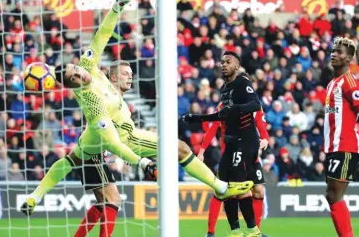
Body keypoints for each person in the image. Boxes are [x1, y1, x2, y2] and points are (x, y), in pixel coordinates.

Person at [20, 0, 158, 236]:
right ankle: (36, 197)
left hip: (92, 145)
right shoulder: (92, 102)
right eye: (74, 76)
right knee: (111, 199)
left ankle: (35, 196)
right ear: (72, 84)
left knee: (95, 188)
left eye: (75, 68)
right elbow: (113, 143)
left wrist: (118, 6)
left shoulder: (88, 63)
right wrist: (141, 161)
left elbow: (102, 34)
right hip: (97, 144)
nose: (79, 72)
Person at [74, 61, 254, 237]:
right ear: (113, 77)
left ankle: (221, 187)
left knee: (106, 201)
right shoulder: (106, 93)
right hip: (101, 149)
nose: (130, 77)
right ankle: (221, 187)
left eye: (131, 74)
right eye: (125, 74)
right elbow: (90, 83)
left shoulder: (116, 97)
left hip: (99, 149)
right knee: (179, 149)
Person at [182, 51, 263, 236]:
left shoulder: (243, 82)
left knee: (239, 187)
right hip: (230, 142)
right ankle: (235, 230)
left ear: (237, 66)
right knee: (223, 187)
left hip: (245, 141)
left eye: (228, 62)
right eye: (222, 62)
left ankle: (253, 230)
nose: (224, 65)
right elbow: (221, 115)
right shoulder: (225, 88)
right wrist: (197, 118)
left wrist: (236, 109)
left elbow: (256, 104)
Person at [198, 82, 269, 236]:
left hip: (250, 153)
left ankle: (255, 231)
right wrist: (202, 150)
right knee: (225, 192)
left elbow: (261, 122)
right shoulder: (223, 106)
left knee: (258, 191)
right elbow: (213, 128)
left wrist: (265, 138)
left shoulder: (253, 104)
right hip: (231, 154)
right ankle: (211, 232)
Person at [324, 37, 359, 237]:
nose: (334, 54)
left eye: (340, 52)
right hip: (333, 148)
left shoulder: (350, 83)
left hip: (346, 146)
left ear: (349, 58)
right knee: (332, 196)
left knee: (334, 195)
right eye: (333, 51)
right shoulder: (332, 83)